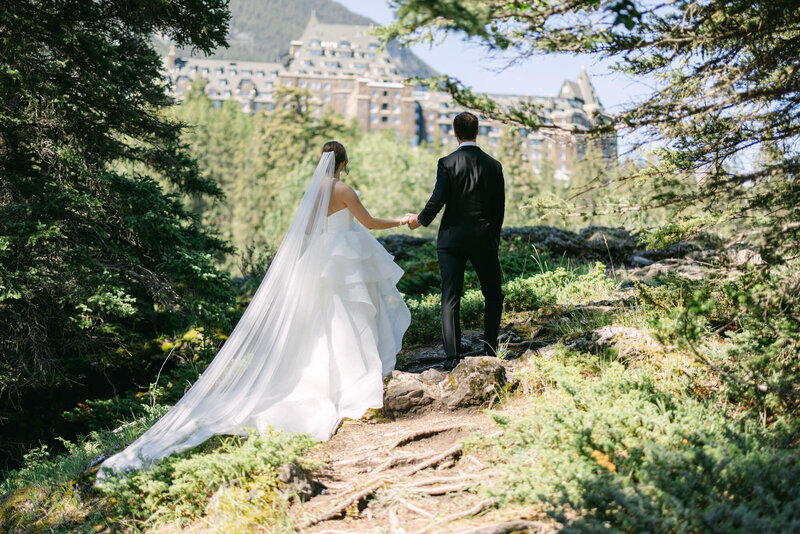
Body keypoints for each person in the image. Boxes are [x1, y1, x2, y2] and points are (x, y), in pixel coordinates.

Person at [98, 141, 411, 477]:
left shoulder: (314, 192)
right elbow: (370, 222)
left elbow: (306, 231)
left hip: (319, 260)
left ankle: (328, 380)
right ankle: (351, 380)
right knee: (349, 318)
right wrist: (404, 220)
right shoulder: (344, 188)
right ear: (344, 162)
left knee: (321, 325)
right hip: (343, 260)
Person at [406, 112, 505, 371]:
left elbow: (438, 199)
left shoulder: (447, 162)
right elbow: (499, 209)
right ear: (477, 131)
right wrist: (494, 238)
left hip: (451, 239)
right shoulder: (494, 165)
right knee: (493, 294)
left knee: (450, 297)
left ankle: (452, 357)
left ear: (455, 132)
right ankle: (490, 349)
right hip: (484, 238)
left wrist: (420, 220)